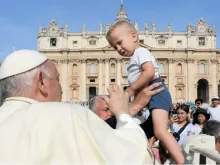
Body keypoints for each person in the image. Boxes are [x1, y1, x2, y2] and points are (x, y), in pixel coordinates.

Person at [0, 50, 164, 164]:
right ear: (41, 82)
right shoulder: (67, 116)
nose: (62, 88)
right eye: (57, 79)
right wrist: (123, 114)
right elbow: (135, 157)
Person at [106, 19, 183, 164]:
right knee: (151, 130)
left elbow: (148, 73)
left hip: (157, 91)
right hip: (153, 95)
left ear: (134, 36)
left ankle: (181, 162)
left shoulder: (141, 51)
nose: (119, 48)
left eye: (120, 42)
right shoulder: (134, 57)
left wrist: (129, 91)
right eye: (115, 47)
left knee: (160, 131)